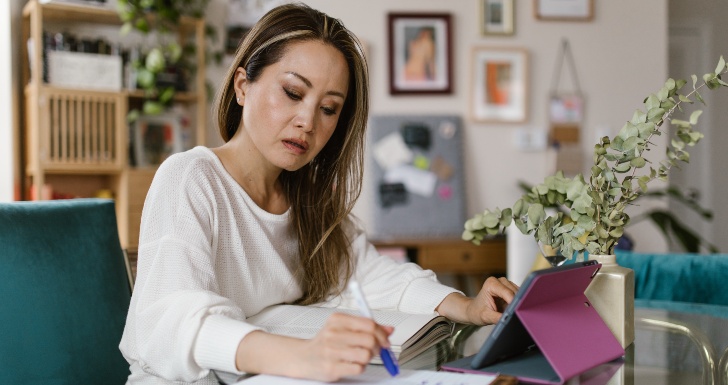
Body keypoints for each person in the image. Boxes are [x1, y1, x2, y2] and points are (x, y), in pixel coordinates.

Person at [119, 3, 519, 384]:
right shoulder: (191, 177)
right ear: (243, 86)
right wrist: (302, 355)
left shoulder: (307, 199)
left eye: (329, 108)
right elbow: (174, 319)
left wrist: (468, 306)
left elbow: (372, 274)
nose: (307, 121)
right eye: (293, 93)